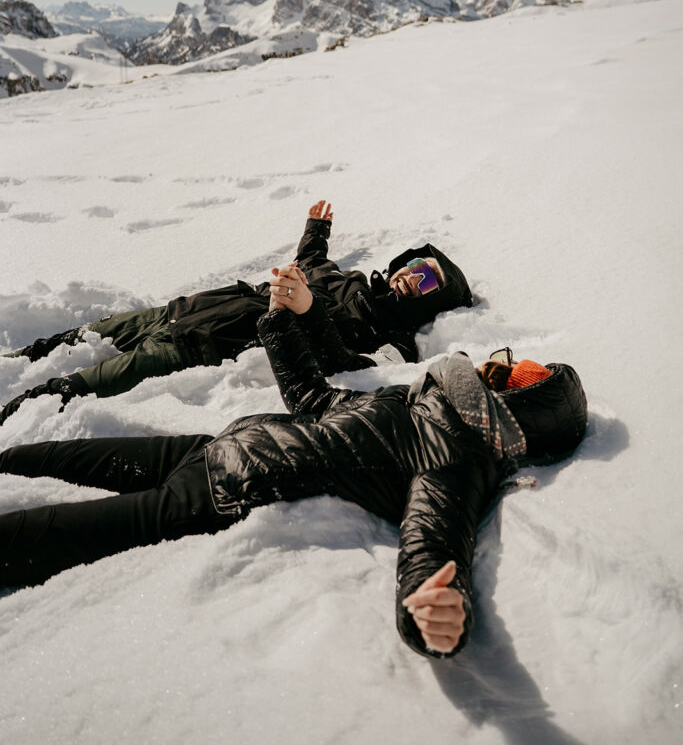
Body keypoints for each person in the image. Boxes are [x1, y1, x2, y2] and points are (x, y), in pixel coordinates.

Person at [0, 266, 587, 658]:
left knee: (36, 536)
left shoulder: (458, 456)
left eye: (510, 369)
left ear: (514, 401)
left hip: (223, 492)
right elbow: (316, 401)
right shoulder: (418, 402)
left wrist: (430, 615)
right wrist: (280, 323)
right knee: (31, 458)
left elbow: (434, 538)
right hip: (212, 447)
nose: (493, 362)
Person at [1, 201, 472, 425]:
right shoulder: (346, 279)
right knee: (75, 337)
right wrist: (317, 230)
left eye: (426, 279)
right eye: (415, 265)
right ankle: (12, 362)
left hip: (197, 346)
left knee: (74, 387)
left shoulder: (392, 341)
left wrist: (307, 311)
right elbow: (309, 260)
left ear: (430, 299)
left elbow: (355, 371)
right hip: (185, 310)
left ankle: (12, 413)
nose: (413, 276)